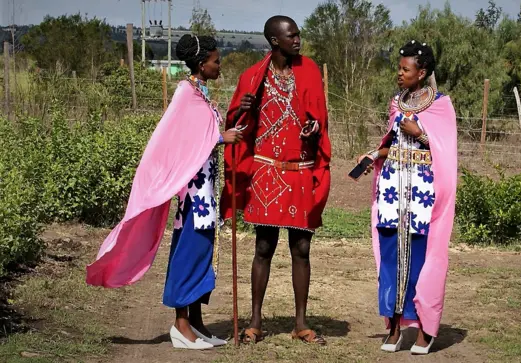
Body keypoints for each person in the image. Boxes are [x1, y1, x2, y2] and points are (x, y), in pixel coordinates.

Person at [86, 34, 242, 350]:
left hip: (205, 190)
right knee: (189, 253)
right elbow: (180, 141)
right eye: (216, 61)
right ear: (202, 64)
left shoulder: (201, 93)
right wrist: (220, 138)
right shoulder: (186, 94)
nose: (219, 65)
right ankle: (180, 326)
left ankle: (196, 325)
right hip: (193, 196)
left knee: (201, 253)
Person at [221, 15, 331, 345]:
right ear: (274, 40)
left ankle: (300, 323)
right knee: (264, 247)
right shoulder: (253, 76)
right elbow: (237, 126)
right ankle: (254, 322)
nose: (297, 40)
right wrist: (244, 108)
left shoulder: (309, 70)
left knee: (301, 248)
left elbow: (319, 117)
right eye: (291, 36)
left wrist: (314, 128)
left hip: (300, 170)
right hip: (266, 171)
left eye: (298, 35)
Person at [357, 40, 457, 355]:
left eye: (406, 69)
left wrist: (421, 134)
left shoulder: (441, 105)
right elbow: (391, 142)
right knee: (390, 259)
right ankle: (396, 326)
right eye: (399, 68)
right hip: (392, 191)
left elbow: (445, 150)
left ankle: (426, 330)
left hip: (423, 196)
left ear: (422, 71)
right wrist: (373, 154)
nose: (400, 73)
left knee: (420, 261)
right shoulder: (396, 103)